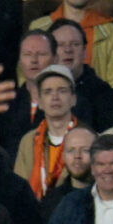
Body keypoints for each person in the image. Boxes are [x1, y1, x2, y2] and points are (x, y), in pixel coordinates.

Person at [13, 64, 78, 200]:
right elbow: (18, 190)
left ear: (73, 99)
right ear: (40, 102)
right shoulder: (28, 141)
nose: (55, 97)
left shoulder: (89, 140)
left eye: (62, 91)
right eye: (47, 92)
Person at [42, 124, 95, 222]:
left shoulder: (109, 197)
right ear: (63, 157)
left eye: (85, 150)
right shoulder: (52, 201)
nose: (77, 156)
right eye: (71, 151)